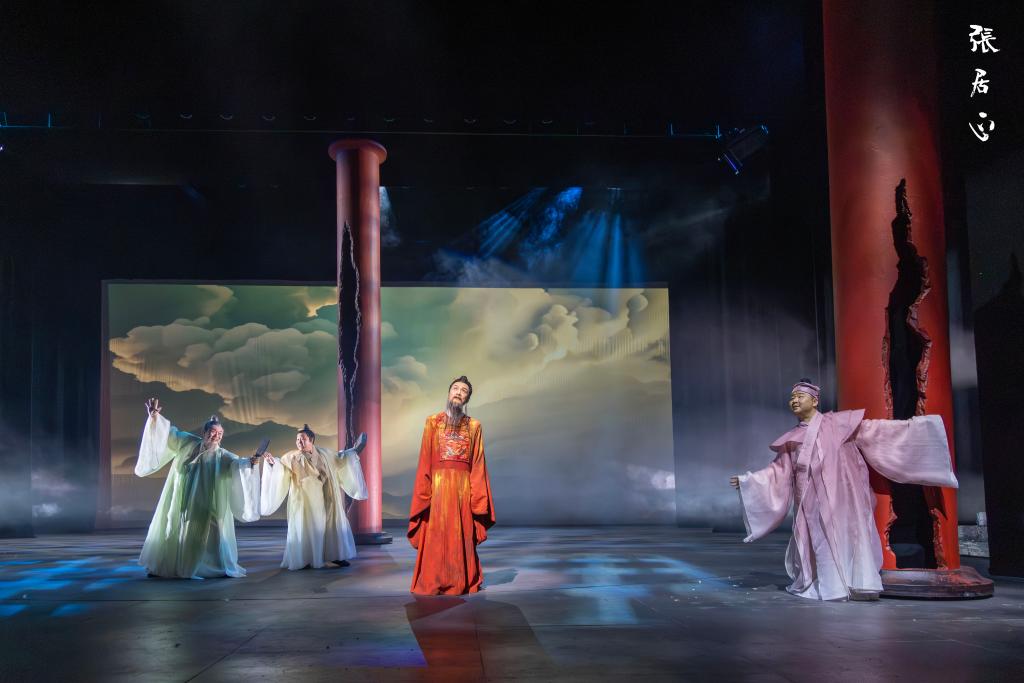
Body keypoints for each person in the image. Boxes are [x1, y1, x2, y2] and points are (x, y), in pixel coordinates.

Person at [730, 380, 959, 600]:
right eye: (792, 398)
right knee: (817, 540)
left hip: (841, 496)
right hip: (809, 500)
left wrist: (918, 429)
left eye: (800, 396)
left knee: (848, 536)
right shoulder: (792, 439)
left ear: (815, 400)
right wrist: (749, 481)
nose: (795, 401)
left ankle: (856, 582)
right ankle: (827, 585)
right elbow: (778, 471)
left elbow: (877, 432)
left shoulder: (839, 424)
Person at [135, 398, 265, 579]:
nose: (216, 436)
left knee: (213, 532)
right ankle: (172, 564)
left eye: (220, 433)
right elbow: (168, 434)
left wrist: (250, 462)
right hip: (183, 498)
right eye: (213, 432)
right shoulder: (188, 442)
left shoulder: (223, 455)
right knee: (176, 527)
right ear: (204, 432)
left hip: (207, 503)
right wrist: (155, 418)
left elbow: (238, 464)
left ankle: (214, 566)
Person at [408, 376, 495, 595]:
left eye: (464, 390)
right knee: (436, 536)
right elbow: (425, 459)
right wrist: (424, 494)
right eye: (455, 388)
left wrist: (478, 500)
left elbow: (477, 464)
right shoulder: (432, 422)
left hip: (462, 491)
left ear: (467, 398)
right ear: (449, 393)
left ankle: (460, 580)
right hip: (437, 491)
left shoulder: (474, 426)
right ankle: (433, 579)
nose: (458, 392)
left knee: (461, 535)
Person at [260, 424, 368, 570]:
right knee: (306, 527)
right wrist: (272, 463)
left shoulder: (325, 454)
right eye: (297, 439)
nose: (299, 442)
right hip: (304, 500)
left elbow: (341, 458)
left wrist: (353, 452)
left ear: (311, 440)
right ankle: (305, 558)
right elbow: (281, 467)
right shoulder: (291, 457)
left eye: (302, 439)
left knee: (330, 526)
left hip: (326, 497)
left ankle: (335, 556)